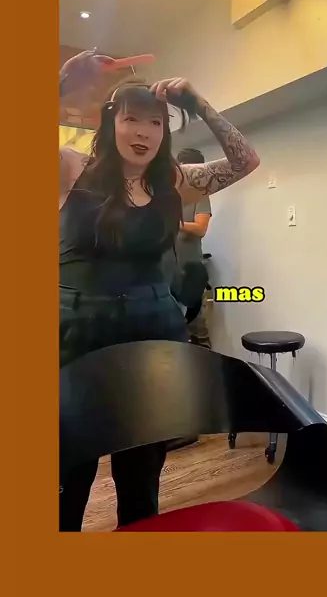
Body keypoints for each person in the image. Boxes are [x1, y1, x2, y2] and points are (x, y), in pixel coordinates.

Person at [59, 50, 260, 531]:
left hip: (153, 338)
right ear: (110, 122)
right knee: (66, 478)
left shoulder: (173, 181)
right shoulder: (70, 169)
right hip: (76, 339)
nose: (144, 132)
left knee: (140, 479)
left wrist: (198, 102)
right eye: (131, 119)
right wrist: (62, 85)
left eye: (156, 122)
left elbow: (245, 160)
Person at [176, 147, 213, 347]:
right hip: (165, 272)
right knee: (172, 332)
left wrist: (173, 222)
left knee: (198, 330)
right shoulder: (165, 195)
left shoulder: (200, 196)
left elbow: (200, 228)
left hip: (190, 272)